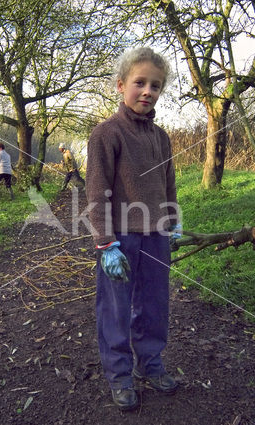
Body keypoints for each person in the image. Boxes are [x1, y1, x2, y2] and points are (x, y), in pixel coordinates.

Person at [85, 47, 182, 411]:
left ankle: (151, 363)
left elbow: (168, 184)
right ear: (121, 85)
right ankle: (120, 374)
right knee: (116, 307)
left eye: (155, 86)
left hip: (156, 236)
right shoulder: (106, 134)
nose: (147, 91)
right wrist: (105, 242)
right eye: (139, 83)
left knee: (154, 304)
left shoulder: (161, 137)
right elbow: (96, 191)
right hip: (120, 239)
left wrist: (172, 221)